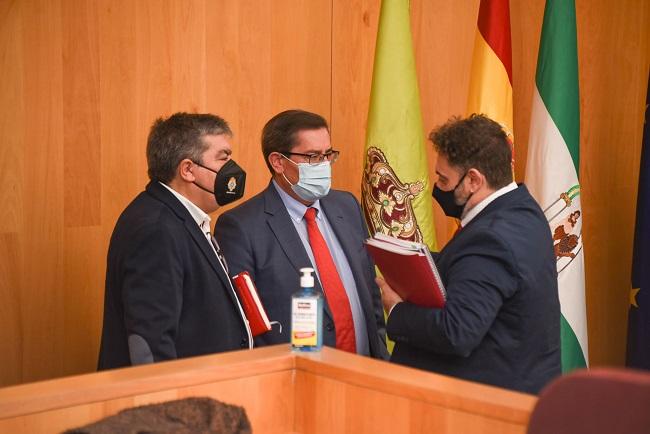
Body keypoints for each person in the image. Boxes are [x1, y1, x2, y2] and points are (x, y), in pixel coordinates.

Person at [377, 114, 561, 394]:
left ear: (473, 179)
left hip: (486, 405)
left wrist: (396, 308)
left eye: (443, 178)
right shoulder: (523, 210)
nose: (437, 187)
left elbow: (456, 332)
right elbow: (478, 273)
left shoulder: (492, 238)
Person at [215, 109, 388, 359]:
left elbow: (370, 294)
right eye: (312, 156)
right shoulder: (241, 227)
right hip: (296, 377)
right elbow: (245, 322)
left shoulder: (347, 206)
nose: (324, 165)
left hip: (364, 371)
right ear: (278, 162)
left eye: (328, 155)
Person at [98, 112, 251, 370]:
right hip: (182, 402)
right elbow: (151, 343)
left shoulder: (180, 216)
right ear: (188, 170)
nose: (231, 168)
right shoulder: (156, 228)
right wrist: (174, 407)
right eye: (223, 158)